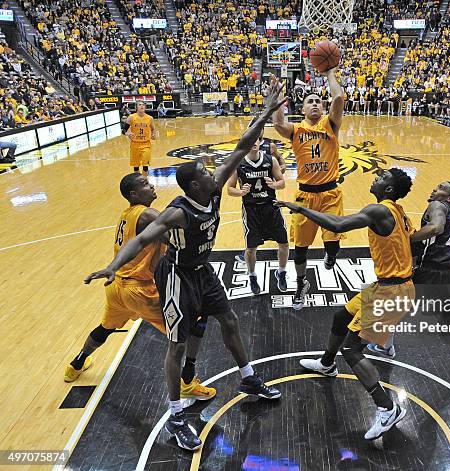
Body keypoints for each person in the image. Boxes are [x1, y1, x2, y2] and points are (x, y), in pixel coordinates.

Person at [84, 82, 286, 451]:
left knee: (229, 320)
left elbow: (241, 146)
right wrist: (113, 266)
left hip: (202, 270)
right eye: (207, 174)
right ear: (195, 184)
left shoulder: (210, 187)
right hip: (176, 276)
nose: (216, 173)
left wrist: (266, 113)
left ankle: (249, 378)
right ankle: (176, 414)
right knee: (175, 344)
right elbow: (142, 240)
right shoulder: (178, 212)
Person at [275, 168, 415, 440]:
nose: (375, 178)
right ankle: (327, 364)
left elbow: (337, 225)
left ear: (388, 189)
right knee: (341, 317)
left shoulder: (379, 210)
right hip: (388, 285)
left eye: (381, 177)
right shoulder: (398, 211)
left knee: (352, 349)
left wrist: (300, 209)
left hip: (393, 291)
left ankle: (388, 408)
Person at [74, 173, 216, 405]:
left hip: (117, 288)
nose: (151, 186)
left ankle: (77, 363)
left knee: (105, 328)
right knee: (191, 324)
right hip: (140, 291)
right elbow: (176, 239)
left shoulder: (127, 214)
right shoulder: (149, 215)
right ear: (133, 194)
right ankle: (187, 382)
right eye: (145, 185)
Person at [368, 181, 450, 377]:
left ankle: (387, 347)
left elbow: (436, 228)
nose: (434, 189)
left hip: (432, 272)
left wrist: (406, 239)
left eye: (440, 188)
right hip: (449, 272)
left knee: (396, 305)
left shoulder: (438, 205)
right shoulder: (448, 213)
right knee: (446, 317)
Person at [272, 67, 345, 311]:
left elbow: (339, 98)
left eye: (318, 102)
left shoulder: (330, 125)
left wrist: (330, 73)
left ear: (323, 108)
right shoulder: (296, 130)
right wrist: (277, 101)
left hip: (330, 194)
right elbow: (278, 123)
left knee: (332, 245)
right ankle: (300, 284)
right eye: (309, 102)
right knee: (300, 250)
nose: (314, 104)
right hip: (304, 195)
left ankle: (331, 253)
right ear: (302, 110)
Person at [227, 122, 289, 295]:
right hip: (251, 210)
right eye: (251, 139)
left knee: (283, 243)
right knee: (250, 248)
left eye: (258, 139)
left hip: (271, 207)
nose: (255, 142)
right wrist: (241, 192)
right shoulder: (238, 164)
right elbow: (229, 189)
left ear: (261, 142)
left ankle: (282, 272)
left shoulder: (271, 159)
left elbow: (282, 182)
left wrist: (275, 184)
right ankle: (252, 275)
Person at [126, 101, 156, 175]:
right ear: (136, 107)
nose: (141, 106)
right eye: (139, 105)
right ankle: (137, 181)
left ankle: (145, 180)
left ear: (145, 107)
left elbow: (153, 129)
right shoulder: (131, 117)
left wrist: (153, 134)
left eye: (143, 105)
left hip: (146, 144)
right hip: (135, 144)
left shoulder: (150, 118)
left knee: (145, 165)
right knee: (136, 166)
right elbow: (123, 130)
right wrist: (127, 134)